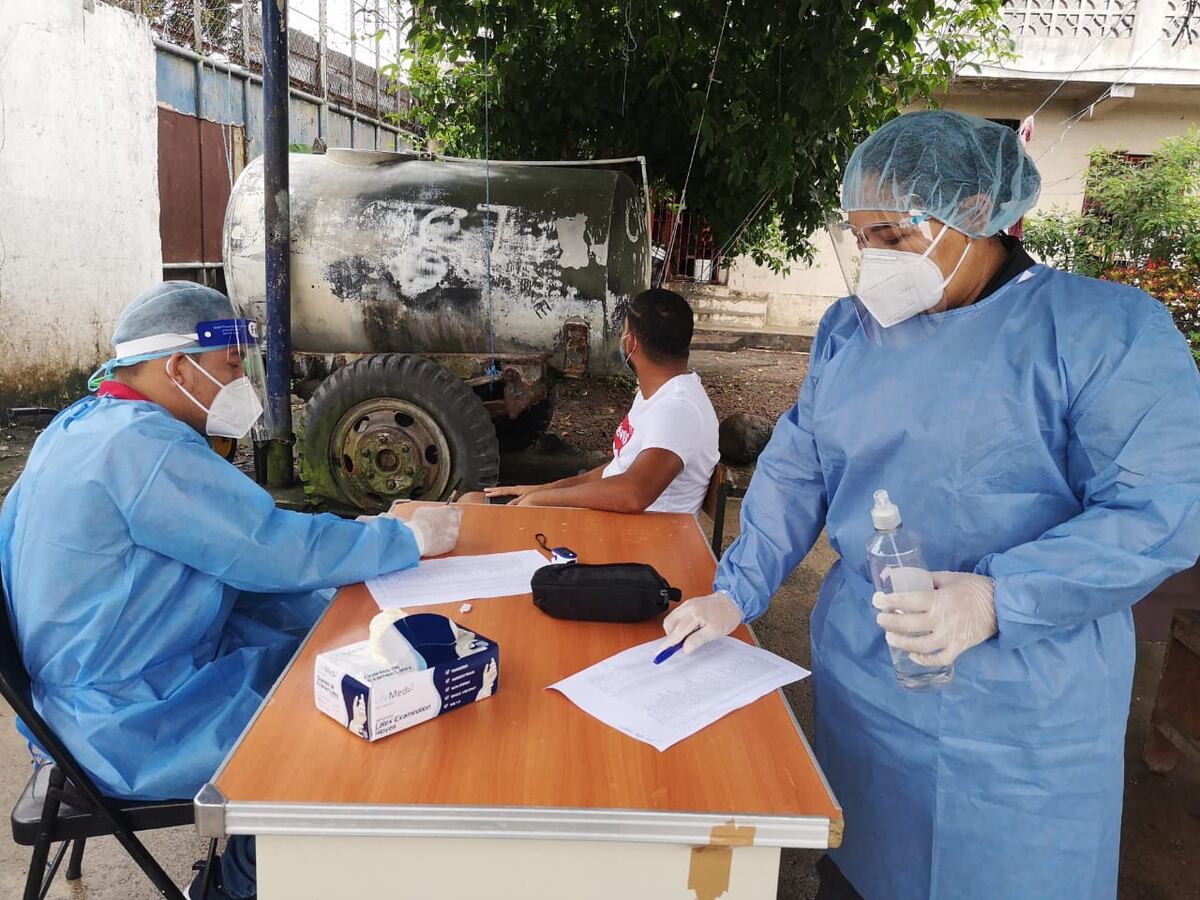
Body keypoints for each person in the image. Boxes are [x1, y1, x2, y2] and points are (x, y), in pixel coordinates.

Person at [660, 111, 1200, 899]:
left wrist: (998, 597)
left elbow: (1158, 511)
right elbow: (798, 466)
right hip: (871, 676)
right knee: (864, 862)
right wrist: (734, 589)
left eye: (895, 236)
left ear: (979, 214)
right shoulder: (851, 330)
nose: (873, 261)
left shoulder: (1104, 334)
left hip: (1023, 711)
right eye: (860, 236)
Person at [0, 282, 463, 899]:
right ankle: (237, 884)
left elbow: (234, 550)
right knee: (339, 720)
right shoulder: (144, 450)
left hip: (101, 684)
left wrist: (351, 578)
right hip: (130, 718)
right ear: (176, 366)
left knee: (321, 641)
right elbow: (268, 546)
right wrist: (405, 541)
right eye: (228, 364)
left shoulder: (82, 423)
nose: (239, 380)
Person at [478, 288, 719, 514]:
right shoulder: (659, 393)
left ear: (631, 343)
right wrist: (544, 490)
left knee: (472, 506)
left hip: (639, 539)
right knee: (474, 503)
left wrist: (542, 501)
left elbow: (634, 493)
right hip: (615, 522)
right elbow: (617, 470)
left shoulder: (677, 410)